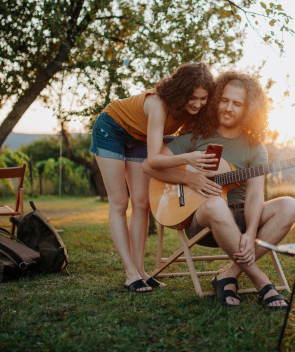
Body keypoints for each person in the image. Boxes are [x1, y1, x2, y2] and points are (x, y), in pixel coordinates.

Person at [142, 71, 295, 308]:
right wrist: (190, 178)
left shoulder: (256, 148)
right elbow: (150, 165)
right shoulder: (196, 138)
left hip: (241, 217)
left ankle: (229, 275)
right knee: (216, 202)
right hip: (203, 220)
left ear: (248, 109)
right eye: (224, 100)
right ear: (216, 101)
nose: (228, 108)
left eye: (237, 104)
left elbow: (256, 195)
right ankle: (262, 282)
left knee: (290, 205)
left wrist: (250, 232)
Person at [90, 62, 218, 293]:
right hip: (111, 130)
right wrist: (189, 158)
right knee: (120, 202)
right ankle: (130, 273)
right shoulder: (158, 104)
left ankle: (141, 272)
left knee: (142, 203)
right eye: (193, 98)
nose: (198, 104)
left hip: (140, 137)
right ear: (181, 91)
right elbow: (154, 160)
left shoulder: (192, 112)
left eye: (203, 98)